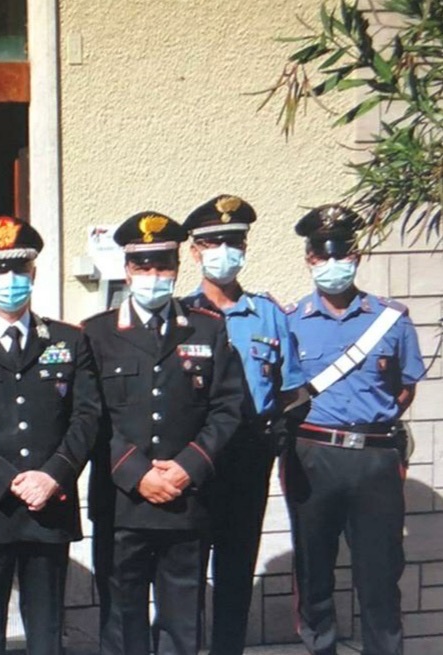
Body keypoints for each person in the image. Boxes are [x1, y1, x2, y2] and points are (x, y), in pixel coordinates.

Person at [83, 211, 244, 655]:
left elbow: (229, 409)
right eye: (144, 266)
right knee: (121, 620)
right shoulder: (96, 335)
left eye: (163, 265)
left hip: (186, 502)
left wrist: (187, 468)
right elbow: (89, 417)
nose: (154, 275)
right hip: (122, 504)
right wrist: (137, 474)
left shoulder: (207, 327)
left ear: (177, 267)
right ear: (127, 270)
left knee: (183, 622)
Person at [0, 215, 100, 655]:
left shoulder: (67, 341)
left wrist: (53, 476)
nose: (10, 280)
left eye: (19, 270)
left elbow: (86, 417)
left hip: (49, 507)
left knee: (47, 634)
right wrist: (6, 479)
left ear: (34, 274)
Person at [284, 204, 425, 655]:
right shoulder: (290, 320)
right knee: (313, 570)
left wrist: (368, 422)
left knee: (380, 574)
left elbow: (404, 388)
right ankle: (320, 648)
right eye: (322, 256)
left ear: (356, 256)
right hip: (312, 454)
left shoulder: (391, 318)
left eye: (341, 254)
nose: (332, 265)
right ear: (309, 260)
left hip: (374, 459)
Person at [180, 195, 307, 655]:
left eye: (234, 242)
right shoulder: (181, 315)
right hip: (194, 460)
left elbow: (291, 390)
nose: (224, 251)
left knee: (236, 571)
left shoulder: (268, 313)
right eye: (213, 242)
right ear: (195, 251)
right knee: (187, 573)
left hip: (248, 459)